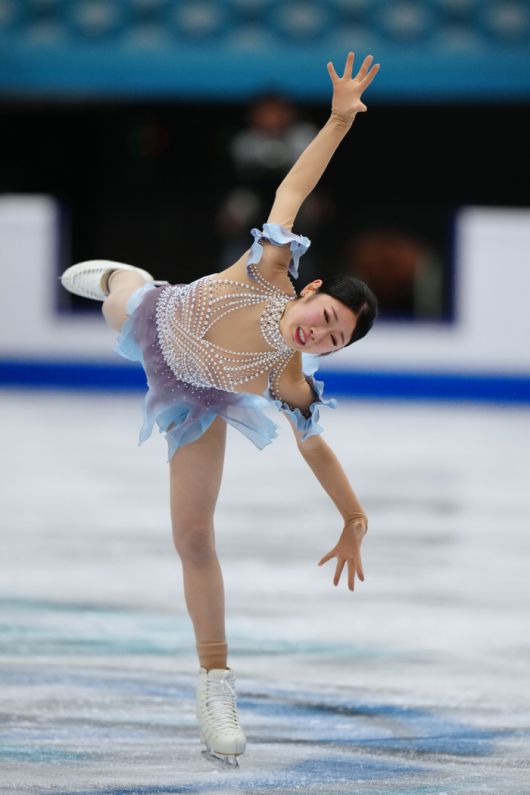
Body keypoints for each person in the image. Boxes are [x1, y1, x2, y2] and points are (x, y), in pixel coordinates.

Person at [60, 51, 380, 768]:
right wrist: (337, 121)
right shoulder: (270, 267)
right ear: (312, 289)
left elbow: (315, 447)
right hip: (159, 314)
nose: (320, 334)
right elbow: (293, 186)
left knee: (194, 538)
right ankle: (120, 273)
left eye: (335, 339)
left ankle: (215, 683)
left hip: (195, 399)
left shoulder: (289, 376)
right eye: (327, 316)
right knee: (122, 298)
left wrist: (354, 517)